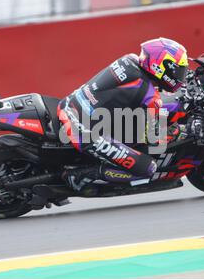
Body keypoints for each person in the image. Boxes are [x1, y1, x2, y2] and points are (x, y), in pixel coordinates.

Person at [57, 37, 191, 192]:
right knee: (149, 168)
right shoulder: (150, 97)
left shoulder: (128, 60)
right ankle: (80, 176)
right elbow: (155, 141)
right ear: (162, 66)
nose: (180, 76)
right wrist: (178, 131)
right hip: (85, 133)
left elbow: (127, 99)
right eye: (178, 70)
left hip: (69, 105)